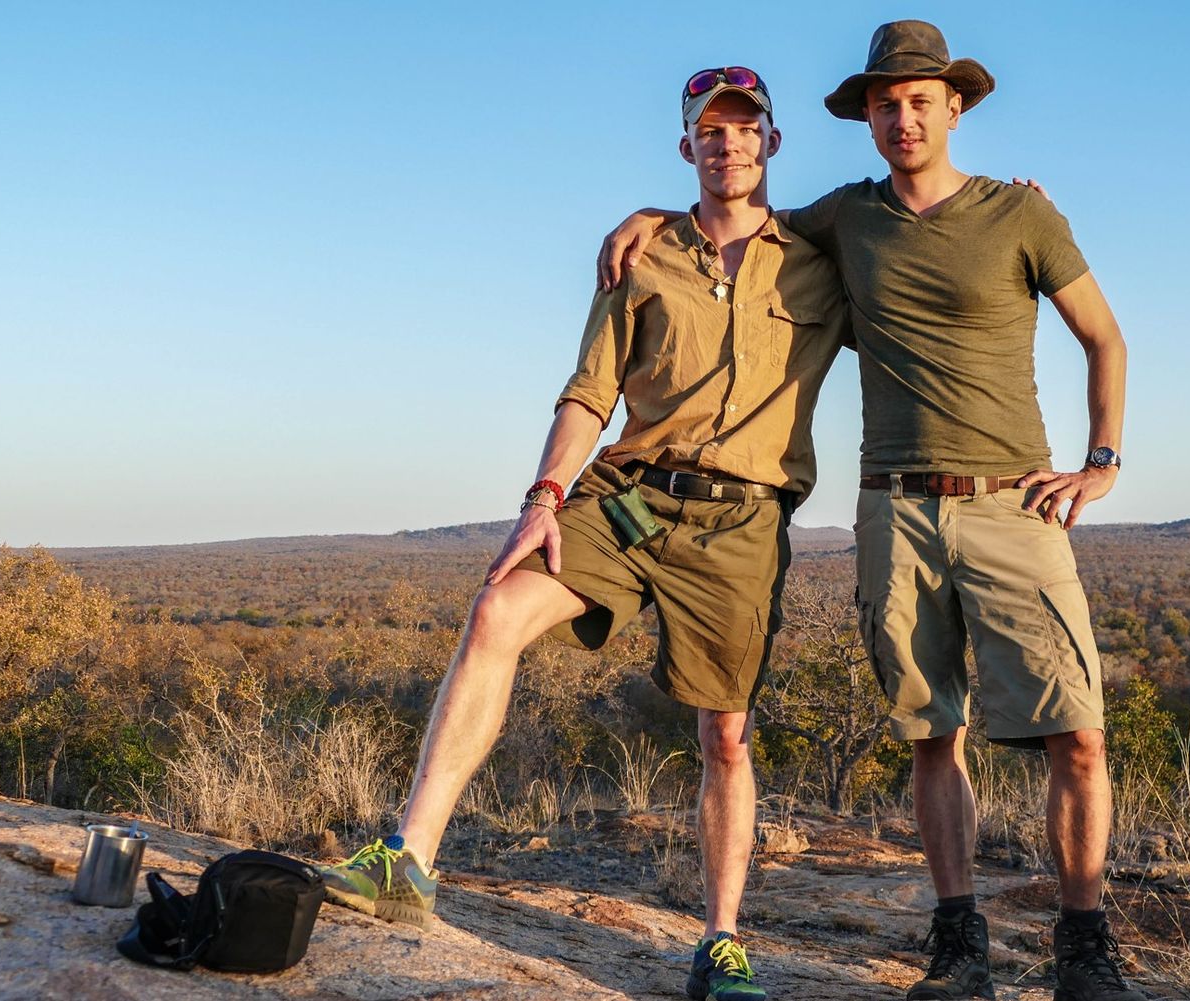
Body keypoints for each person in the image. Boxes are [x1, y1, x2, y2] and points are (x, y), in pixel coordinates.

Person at [599, 21, 1141, 1001]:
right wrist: (647, 211)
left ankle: (1085, 945)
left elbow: (1104, 337)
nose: (901, 117)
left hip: (1014, 499)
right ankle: (956, 942)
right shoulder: (843, 218)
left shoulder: (1019, 216)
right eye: (884, 103)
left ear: (954, 106)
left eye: (919, 100)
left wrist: (1099, 463)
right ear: (868, 116)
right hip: (895, 507)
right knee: (933, 732)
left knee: (1079, 731)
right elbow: (735, 212)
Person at [323, 66, 846, 1001]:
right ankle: (409, 860)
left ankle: (720, 942)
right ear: (687, 145)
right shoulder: (639, 257)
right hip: (635, 495)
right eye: (709, 130)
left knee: (725, 733)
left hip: (741, 521)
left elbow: (921, 227)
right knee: (496, 609)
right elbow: (590, 392)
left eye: (745, 128)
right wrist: (543, 494)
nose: (728, 143)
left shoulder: (820, 256)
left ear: (772, 142)